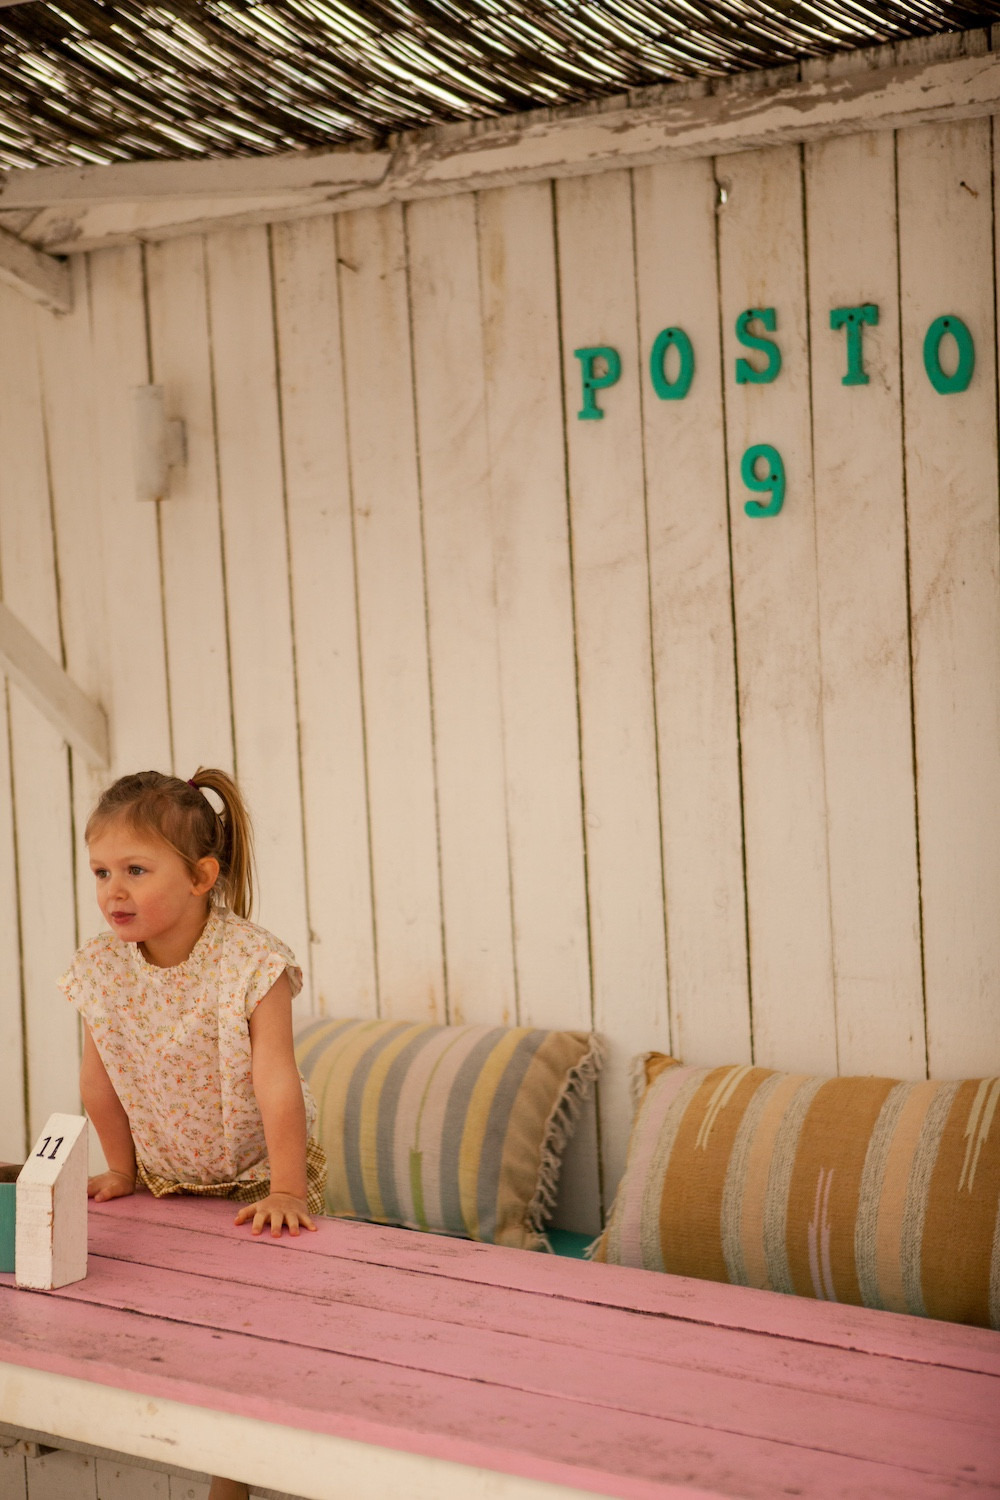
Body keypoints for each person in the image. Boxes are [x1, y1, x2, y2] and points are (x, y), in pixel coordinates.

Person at [59, 767, 327, 1500]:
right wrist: (121, 1168)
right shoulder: (101, 967)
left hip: (258, 1179)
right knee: (181, 1327)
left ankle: (234, 1481)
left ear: (202, 877)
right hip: (166, 1177)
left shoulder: (250, 962)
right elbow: (98, 1079)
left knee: (253, 1340)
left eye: (136, 871)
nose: (113, 891)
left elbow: (276, 1081)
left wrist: (287, 1190)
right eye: (101, 871)